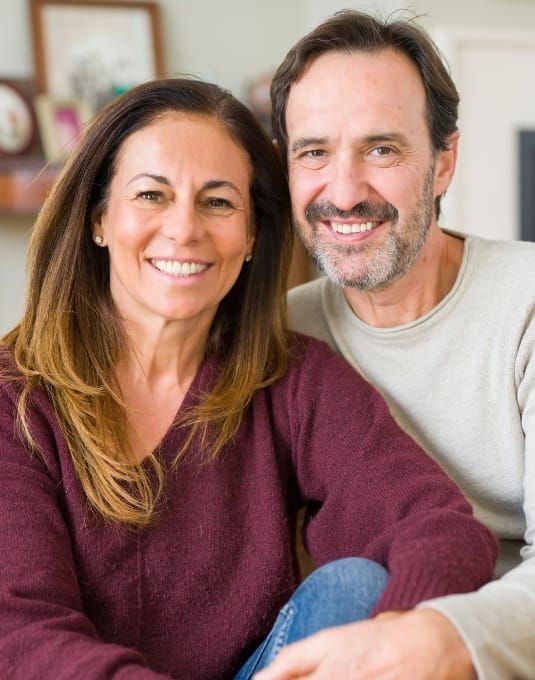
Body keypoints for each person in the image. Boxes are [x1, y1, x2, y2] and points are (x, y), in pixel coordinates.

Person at [0, 77, 496, 680]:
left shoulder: (292, 381)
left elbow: (436, 523)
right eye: (152, 195)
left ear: (252, 234)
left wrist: (402, 633)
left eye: (217, 202)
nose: (184, 230)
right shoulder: (15, 402)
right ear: (99, 218)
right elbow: (20, 635)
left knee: (356, 589)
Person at [267, 8, 535, 680]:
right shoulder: (278, 337)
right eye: (314, 152)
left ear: (442, 162)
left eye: (381, 149)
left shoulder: (525, 303)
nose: (344, 191)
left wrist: (437, 640)